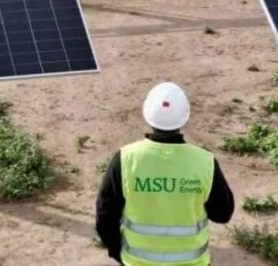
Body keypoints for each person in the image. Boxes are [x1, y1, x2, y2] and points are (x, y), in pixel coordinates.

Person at [95, 82, 235, 265]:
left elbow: (105, 216)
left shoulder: (126, 159)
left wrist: (117, 252)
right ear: (184, 116)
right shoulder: (204, 163)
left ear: (148, 114)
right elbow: (223, 214)